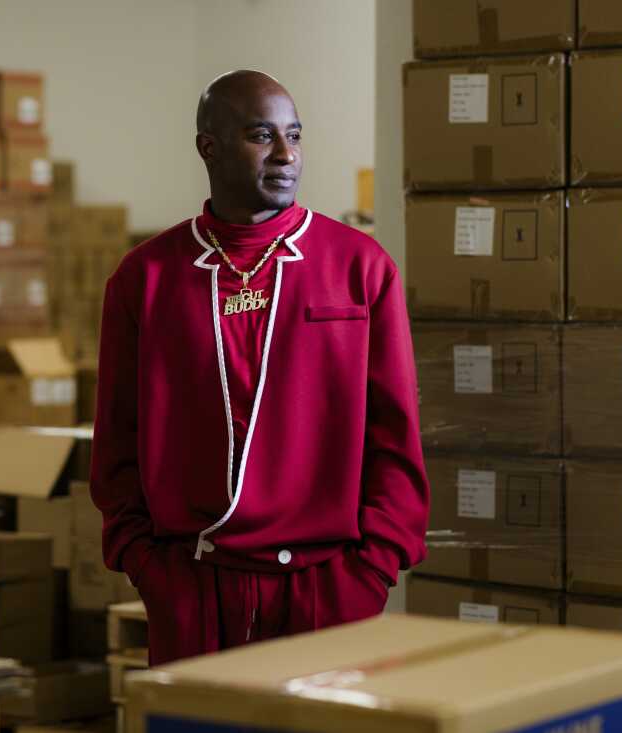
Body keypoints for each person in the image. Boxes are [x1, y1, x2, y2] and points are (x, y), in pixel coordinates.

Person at [90, 69, 429, 666]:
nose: (286, 154)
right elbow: (117, 439)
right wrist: (147, 565)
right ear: (208, 146)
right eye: (260, 135)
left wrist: (371, 571)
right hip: (194, 586)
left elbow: (395, 435)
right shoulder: (144, 279)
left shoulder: (360, 268)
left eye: (294, 135)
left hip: (326, 591)